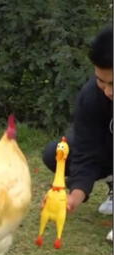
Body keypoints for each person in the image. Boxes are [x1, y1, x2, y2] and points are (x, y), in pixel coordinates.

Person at [42, 26, 112, 227]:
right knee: (55, 153)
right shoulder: (91, 96)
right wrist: (74, 196)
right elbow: (85, 152)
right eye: (101, 81)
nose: (107, 91)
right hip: (107, 150)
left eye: (113, 84)